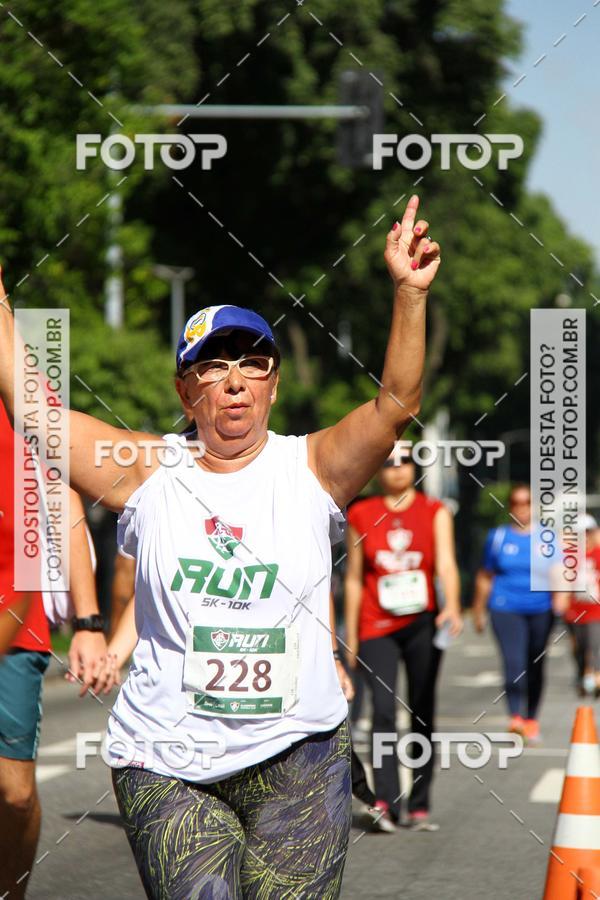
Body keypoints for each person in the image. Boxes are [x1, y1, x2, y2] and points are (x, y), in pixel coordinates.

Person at [0, 194, 440, 898]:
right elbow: (32, 406)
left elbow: (396, 405)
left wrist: (409, 295)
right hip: (165, 760)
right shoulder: (145, 471)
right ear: (186, 392)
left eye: (252, 363)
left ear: (271, 386)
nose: (234, 379)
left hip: (299, 755)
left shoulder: (315, 466)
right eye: (212, 365)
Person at [0, 400, 107, 900]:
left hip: (16, 615)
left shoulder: (24, 402)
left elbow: (63, 508)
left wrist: (87, 623)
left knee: (15, 795)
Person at [344, 445, 462, 833]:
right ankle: (387, 801)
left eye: (404, 461)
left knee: (422, 709)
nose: (396, 468)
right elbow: (355, 578)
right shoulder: (361, 513)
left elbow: (445, 562)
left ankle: (421, 801)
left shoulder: (434, 511)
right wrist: (350, 636)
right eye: (388, 462)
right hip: (377, 625)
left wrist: (453, 606)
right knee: (380, 709)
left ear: (415, 467)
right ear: (377, 470)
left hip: (421, 624)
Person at [472, 483, 554, 744]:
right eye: (517, 503)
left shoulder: (547, 538)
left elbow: (560, 571)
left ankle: (532, 719)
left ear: (533, 506)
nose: (522, 508)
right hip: (505, 607)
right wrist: (478, 610)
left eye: (527, 502)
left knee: (535, 664)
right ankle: (516, 717)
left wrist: (563, 600)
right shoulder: (498, 537)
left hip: (541, 609)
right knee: (514, 662)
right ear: (510, 507)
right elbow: (485, 575)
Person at [555, 514, 600, 697]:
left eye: (588, 532)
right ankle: (582, 674)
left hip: (595, 609)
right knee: (579, 646)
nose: (585, 537)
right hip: (574, 610)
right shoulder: (568, 556)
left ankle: (596, 676)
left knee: (595, 644)